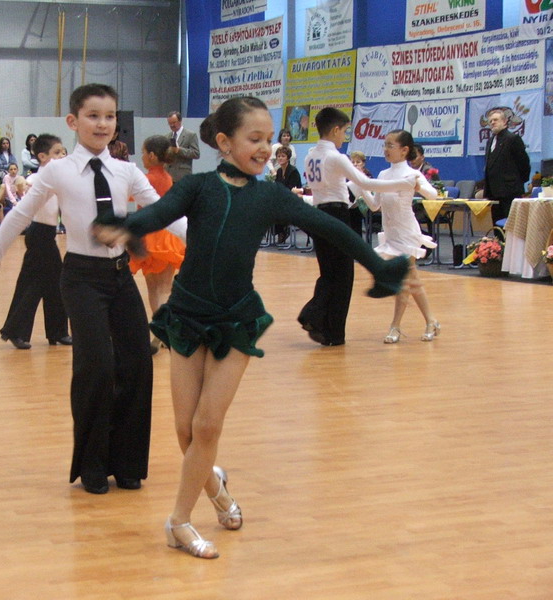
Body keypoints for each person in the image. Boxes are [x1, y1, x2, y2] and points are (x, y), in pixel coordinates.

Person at [91, 96, 410, 559]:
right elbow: (156, 215)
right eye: (254, 139)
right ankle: (217, 489)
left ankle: (179, 522)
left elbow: (333, 229)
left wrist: (378, 266)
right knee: (185, 432)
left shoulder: (270, 195)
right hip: (187, 316)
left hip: (236, 318)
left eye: (269, 139)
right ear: (225, 142)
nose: (265, 148)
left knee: (207, 425)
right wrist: (125, 226)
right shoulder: (198, 187)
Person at [0, 84, 182, 496]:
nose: (102, 124)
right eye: (93, 116)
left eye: (109, 116)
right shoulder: (58, 171)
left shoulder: (126, 171)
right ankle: (93, 464)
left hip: (120, 276)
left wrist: (210, 243)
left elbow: (166, 213)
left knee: (137, 364)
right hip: (81, 278)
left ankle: (128, 463)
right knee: (97, 367)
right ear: (73, 121)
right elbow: (20, 215)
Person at [298, 107, 417, 347]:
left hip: (319, 214)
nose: (344, 136)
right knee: (343, 275)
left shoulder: (311, 156)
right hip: (338, 216)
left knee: (329, 272)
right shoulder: (336, 157)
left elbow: (340, 187)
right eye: (344, 131)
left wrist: (356, 188)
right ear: (335, 130)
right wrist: (403, 184)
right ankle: (325, 326)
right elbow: (365, 181)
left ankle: (321, 323)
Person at [356, 129, 440, 344]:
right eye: (385, 145)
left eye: (390, 145)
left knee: (404, 280)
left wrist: (419, 186)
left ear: (404, 150)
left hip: (407, 233)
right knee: (412, 281)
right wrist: (361, 186)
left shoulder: (411, 174)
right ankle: (431, 321)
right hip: (391, 234)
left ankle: (395, 326)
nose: (386, 149)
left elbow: (433, 195)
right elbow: (374, 206)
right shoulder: (383, 175)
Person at [0, 133, 71, 349]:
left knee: (53, 284)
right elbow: (23, 182)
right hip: (39, 236)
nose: (62, 156)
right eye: (57, 152)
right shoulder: (39, 178)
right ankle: (18, 331)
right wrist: (21, 183)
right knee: (33, 285)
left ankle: (56, 332)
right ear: (42, 156)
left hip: (47, 235)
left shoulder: (58, 178)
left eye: (63, 152)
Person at [129, 135, 185, 354]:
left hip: (152, 236)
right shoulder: (167, 177)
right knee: (163, 288)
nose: (142, 156)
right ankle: (162, 332)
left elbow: (133, 198)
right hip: (167, 236)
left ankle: (161, 332)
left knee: (155, 289)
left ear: (152, 155)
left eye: (144, 152)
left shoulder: (148, 178)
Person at [483, 107, 531, 226]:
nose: (492, 123)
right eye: (490, 121)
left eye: (495, 120)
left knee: (510, 226)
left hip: (509, 192)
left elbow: (524, 164)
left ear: (504, 122)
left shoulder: (513, 139)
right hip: (493, 192)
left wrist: (516, 183)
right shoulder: (490, 141)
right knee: (497, 226)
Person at [272, 145, 302, 244]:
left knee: (278, 208)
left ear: (288, 158)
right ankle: (280, 230)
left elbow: (292, 189)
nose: (280, 158)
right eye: (279, 156)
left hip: (294, 199)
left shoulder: (293, 171)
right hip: (282, 199)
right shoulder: (279, 171)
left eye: (283, 156)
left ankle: (282, 230)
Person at [165, 111, 200, 182]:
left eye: (174, 122)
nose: (172, 125)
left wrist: (179, 150)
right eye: (170, 123)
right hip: (168, 175)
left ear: (180, 121)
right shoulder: (167, 136)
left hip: (182, 175)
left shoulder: (190, 135)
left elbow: (196, 153)